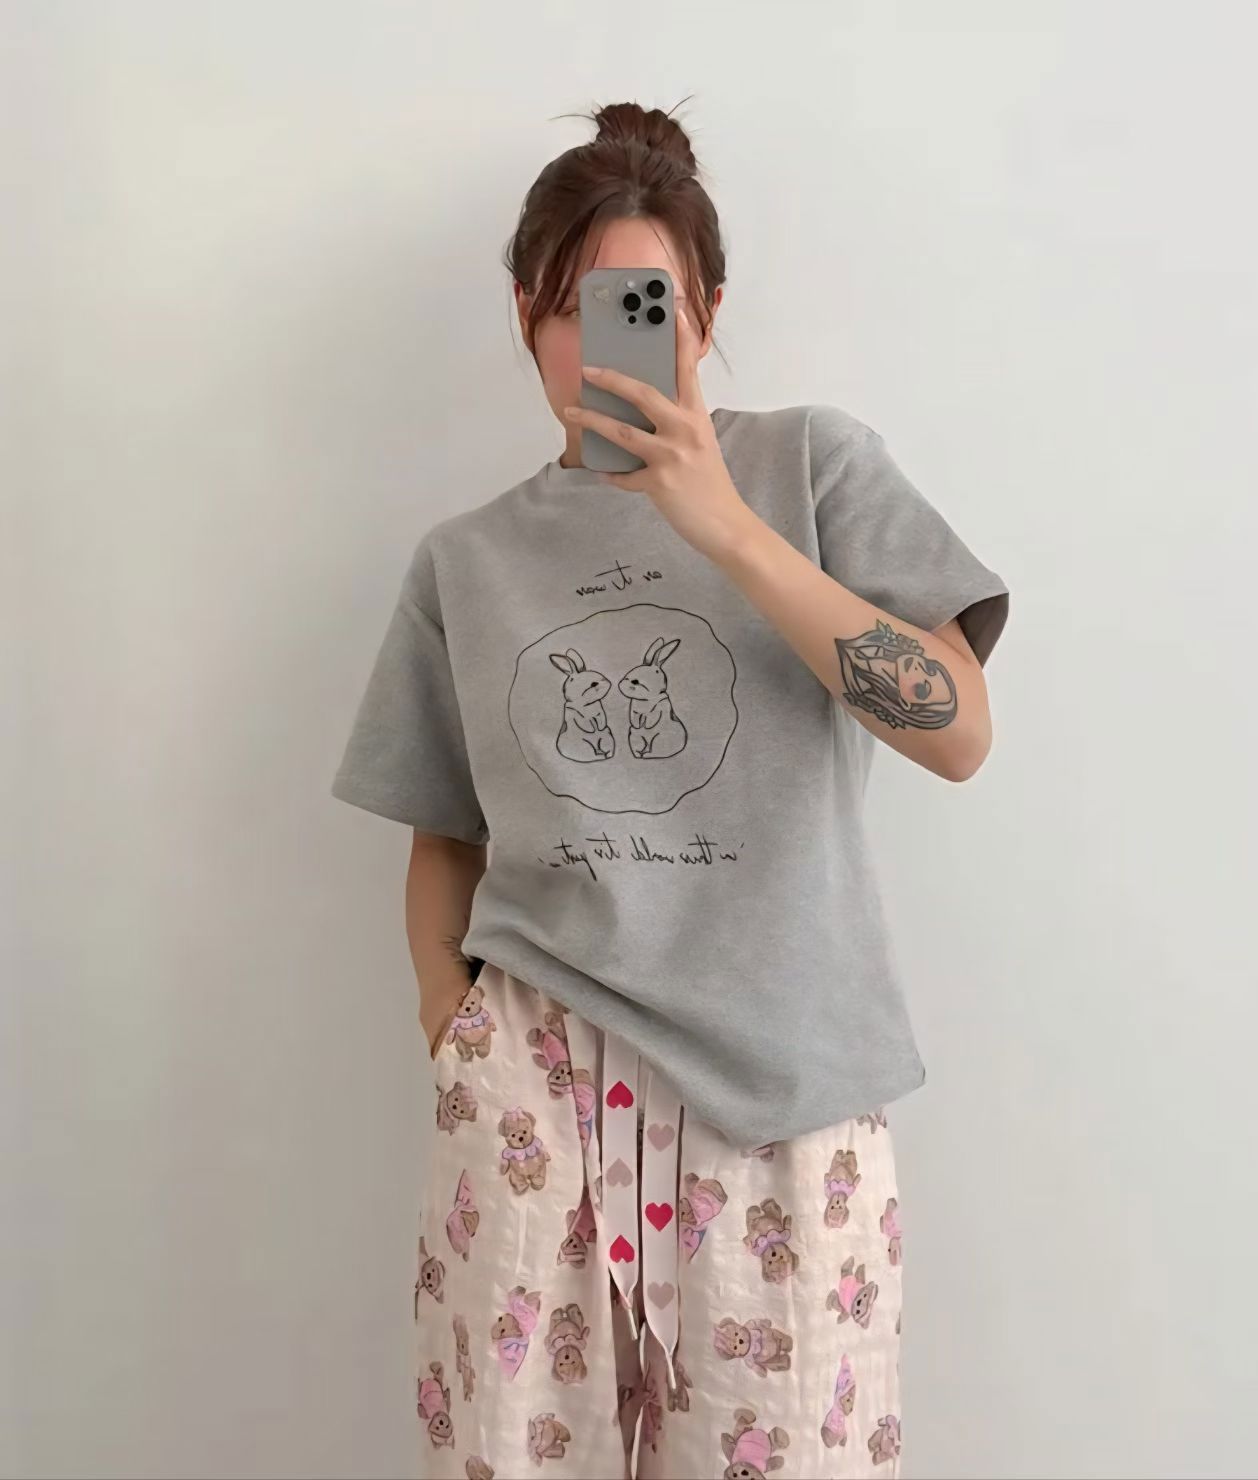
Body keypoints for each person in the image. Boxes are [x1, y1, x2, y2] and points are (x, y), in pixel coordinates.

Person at [331, 98, 1009, 1480]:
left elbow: (957, 732)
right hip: (535, 1098)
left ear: (704, 313)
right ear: (524, 312)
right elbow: (442, 833)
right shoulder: (464, 561)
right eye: (572, 307)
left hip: (784, 1102)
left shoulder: (811, 466)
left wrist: (725, 528)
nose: (605, 343)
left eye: (642, 305)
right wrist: (453, 1030)